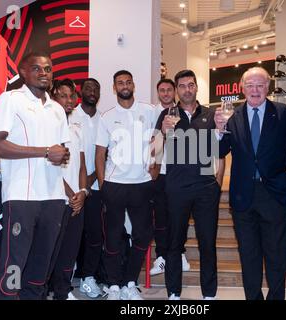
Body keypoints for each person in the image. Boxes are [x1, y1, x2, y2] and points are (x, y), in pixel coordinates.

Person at [0, 52, 70, 300]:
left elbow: (62, 152)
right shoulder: (10, 100)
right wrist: (45, 152)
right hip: (22, 196)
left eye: (48, 68)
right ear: (23, 73)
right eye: (36, 68)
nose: (43, 72)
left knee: (40, 268)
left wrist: (60, 158)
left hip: (53, 198)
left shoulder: (57, 108)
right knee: (14, 265)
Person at [214, 67, 286, 300]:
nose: (255, 90)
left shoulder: (283, 113)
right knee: (248, 255)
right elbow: (220, 151)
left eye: (260, 85)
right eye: (250, 85)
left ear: (268, 87)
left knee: (277, 255)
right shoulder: (233, 116)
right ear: (242, 88)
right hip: (243, 196)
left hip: (274, 193)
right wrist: (219, 132)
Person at [156, 69, 224, 300]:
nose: (187, 89)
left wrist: (218, 181)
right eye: (182, 85)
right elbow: (155, 152)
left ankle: (209, 294)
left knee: (208, 243)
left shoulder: (211, 114)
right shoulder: (167, 115)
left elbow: (221, 151)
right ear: (177, 90)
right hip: (176, 188)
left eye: (191, 85)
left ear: (196, 87)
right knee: (174, 243)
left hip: (206, 187)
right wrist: (163, 134)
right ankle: (174, 293)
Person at [95, 70, 156, 300]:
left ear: (133, 85)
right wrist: (103, 185)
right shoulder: (107, 117)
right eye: (120, 83)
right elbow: (100, 154)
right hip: (114, 185)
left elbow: (158, 139)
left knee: (142, 235)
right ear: (114, 88)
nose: (125, 86)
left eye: (128, 82)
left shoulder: (148, 111)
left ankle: (129, 282)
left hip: (141, 184)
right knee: (112, 237)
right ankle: (113, 285)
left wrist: (154, 169)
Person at [48, 79, 87, 300]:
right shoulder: (49, 125)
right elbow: (49, 165)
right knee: (51, 250)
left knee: (70, 250)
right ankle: (46, 290)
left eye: (72, 95)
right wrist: (71, 194)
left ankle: (62, 291)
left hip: (75, 199)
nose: (69, 100)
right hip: (55, 198)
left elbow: (81, 165)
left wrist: (82, 191)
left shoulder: (76, 128)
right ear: (54, 96)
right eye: (63, 95)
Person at [149, 78, 191, 276]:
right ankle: (161, 256)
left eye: (169, 90)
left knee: (178, 216)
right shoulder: (152, 112)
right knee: (161, 217)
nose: (165, 93)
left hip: (180, 173)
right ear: (158, 93)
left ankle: (179, 253)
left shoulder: (182, 113)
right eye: (162, 90)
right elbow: (153, 144)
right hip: (160, 172)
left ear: (174, 92)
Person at [70, 78, 105, 298]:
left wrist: (92, 179)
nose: (92, 92)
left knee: (94, 235)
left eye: (96, 89)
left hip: (96, 186)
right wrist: (83, 183)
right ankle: (64, 278)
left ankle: (87, 278)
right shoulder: (71, 116)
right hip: (73, 186)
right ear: (81, 91)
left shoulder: (103, 119)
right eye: (88, 88)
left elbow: (106, 153)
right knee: (72, 236)